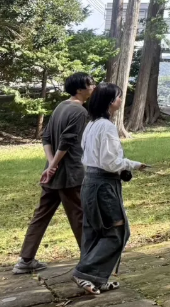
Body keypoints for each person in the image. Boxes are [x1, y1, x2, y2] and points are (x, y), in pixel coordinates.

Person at [13, 73, 95, 275]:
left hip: (52, 174)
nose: (93, 87)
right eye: (90, 84)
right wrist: (55, 165)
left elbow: (47, 137)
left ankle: (25, 260)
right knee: (80, 216)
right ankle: (90, 263)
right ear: (79, 89)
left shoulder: (61, 106)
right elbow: (67, 141)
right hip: (70, 174)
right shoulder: (79, 111)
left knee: (41, 215)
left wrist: (50, 165)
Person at [72, 83, 148, 295]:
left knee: (95, 232)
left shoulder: (92, 124)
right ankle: (85, 273)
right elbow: (110, 162)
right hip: (103, 186)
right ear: (109, 101)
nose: (121, 101)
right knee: (117, 232)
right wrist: (132, 164)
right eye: (118, 97)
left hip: (91, 184)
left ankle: (97, 279)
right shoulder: (105, 126)